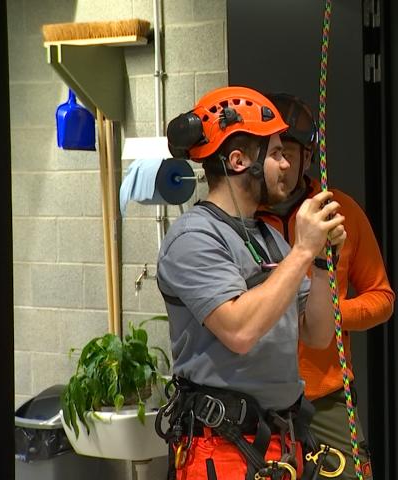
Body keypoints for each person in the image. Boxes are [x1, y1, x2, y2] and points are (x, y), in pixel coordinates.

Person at [156, 86, 347, 480]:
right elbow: (240, 331)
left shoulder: (267, 236)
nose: (287, 166)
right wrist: (301, 252)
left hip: (281, 440)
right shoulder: (193, 238)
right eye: (276, 153)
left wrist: (323, 258)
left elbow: (318, 334)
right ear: (240, 161)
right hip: (222, 446)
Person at [255, 93, 394, 480]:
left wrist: (329, 315)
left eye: (289, 152)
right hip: (256, 401)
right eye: (270, 152)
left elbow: (382, 298)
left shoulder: (339, 211)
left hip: (326, 396)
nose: (280, 164)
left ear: (307, 158)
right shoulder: (239, 222)